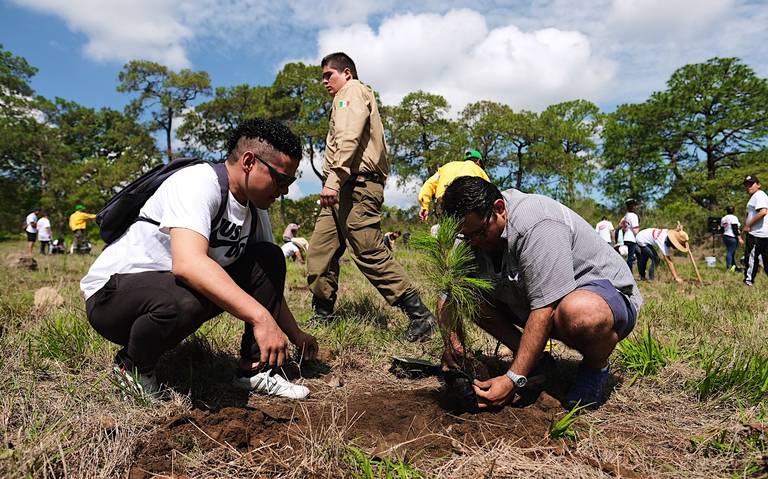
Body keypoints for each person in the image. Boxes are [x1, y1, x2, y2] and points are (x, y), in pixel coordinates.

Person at [80, 118, 318, 400]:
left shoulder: (255, 210)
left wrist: (294, 333)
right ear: (249, 161)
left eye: (290, 181)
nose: (286, 190)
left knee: (270, 257)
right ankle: (132, 367)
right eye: (281, 179)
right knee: (186, 297)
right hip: (112, 298)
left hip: (172, 292)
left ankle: (253, 370)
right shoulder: (198, 182)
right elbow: (188, 265)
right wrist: (260, 317)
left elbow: (266, 280)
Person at [439, 177, 642, 409]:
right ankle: (536, 362)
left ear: (499, 209)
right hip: (533, 297)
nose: (473, 241)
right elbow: (448, 295)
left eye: (480, 232)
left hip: (602, 294)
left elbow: (544, 308)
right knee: (467, 295)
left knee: (580, 314)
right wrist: (452, 346)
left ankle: (596, 368)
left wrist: (512, 379)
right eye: (466, 236)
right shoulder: (469, 233)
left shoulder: (538, 223)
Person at [306, 52, 436, 342]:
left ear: (347, 73)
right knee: (319, 252)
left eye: (329, 75)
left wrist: (333, 179)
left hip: (355, 186)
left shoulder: (351, 90)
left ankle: (421, 316)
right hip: (341, 188)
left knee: (368, 252)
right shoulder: (341, 96)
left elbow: (349, 136)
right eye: (323, 76)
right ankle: (322, 314)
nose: (324, 81)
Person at [417, 149, 490, 222]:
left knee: (448, 230)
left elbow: (429, 184)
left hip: (444, 204)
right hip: (468, 204)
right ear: (478, 162)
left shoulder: (446, 167)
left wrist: (424, 206)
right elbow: (490, 191)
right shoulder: (478, 169)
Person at [743, 175, 768, 286]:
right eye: (746, 184)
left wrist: (749, 225)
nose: (748, 186)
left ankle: (748, 281)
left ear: (758, 185)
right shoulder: (756, 196)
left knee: (751, 258)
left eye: (751, 184)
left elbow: (763, 212)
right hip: (761, 233)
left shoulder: (759, 195)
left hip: (757, 234)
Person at [620, 199, 640, 272]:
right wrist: (639, 237)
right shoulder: (634, 216)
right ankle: (629, 273)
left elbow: (621, 224)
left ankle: (628, 272)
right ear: (633, 206)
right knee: (631, 257)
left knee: (631, 256)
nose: (636, 207)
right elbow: (635, 229)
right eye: (635, 205)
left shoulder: (626, 215)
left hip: (626, 237)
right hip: (632, 238)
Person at [721, 206, 743, 272]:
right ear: (733, 211)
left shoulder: (724, 218)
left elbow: (722, 229)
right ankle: (729, 267)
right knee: (730, 252)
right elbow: (735, 228)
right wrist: (739, 238)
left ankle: (734, 267)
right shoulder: (734, 218)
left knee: (731, 252)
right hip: (732, 237)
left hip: (725, 236)